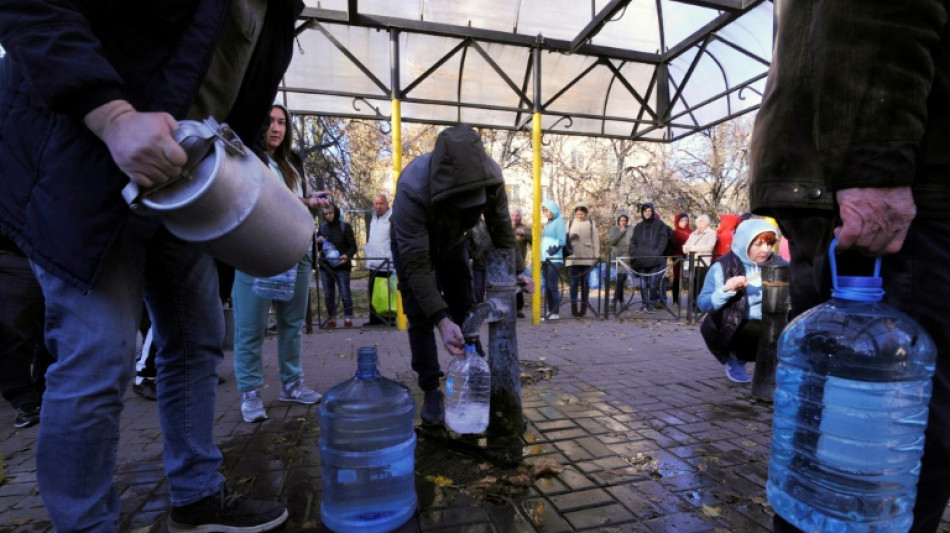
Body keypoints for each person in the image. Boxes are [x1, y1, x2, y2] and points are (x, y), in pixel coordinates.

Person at [0, 2, 304, 530]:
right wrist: (113, 116)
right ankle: (87, 523)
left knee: (197, 338)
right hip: (82, 163)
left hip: (183, 181)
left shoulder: (279, 10)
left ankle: (197, 494)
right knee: (99, 353)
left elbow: (241, 101)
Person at [748, 2, 950, 530]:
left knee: (843, 452)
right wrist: (873, 165)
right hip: (903, 191)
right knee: (881, 454)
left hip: (883, 178)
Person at [390, 124, 533, 426]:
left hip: (454, 241)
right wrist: (441, 320)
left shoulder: (490, 176)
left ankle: (474, 364)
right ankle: (430, 388)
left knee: (463, 299)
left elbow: (501, 229)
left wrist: (518, 270)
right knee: (419, 312)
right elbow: (417, 267)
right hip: (414, 245)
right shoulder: (412, 191)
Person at [232, 104, 325, 424]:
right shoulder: (247, 156)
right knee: (251, 326)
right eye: (270, 121)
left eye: (282, 123)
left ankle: (292, 384)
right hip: (256, 251)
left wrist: (319, 205)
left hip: (298, 251)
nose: (276, 128)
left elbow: (302, 203)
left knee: (292, 323)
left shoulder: (293, 161)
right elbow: (262, 199)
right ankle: (250, 392)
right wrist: (304, 202)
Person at [697, 219, 782, 383]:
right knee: (754, 330)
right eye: (758, 244)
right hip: (735, 325)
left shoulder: (778, 264)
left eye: (770, 244)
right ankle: (735, 359)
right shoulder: (722, 267)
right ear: (745, 242)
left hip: (769, 321)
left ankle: (771, 366)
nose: (765, 250)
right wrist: (725, 290)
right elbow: (703, 303)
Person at [0, 237, 52, 429]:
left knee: (55, 328)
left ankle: (43, 392)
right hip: (16, 256)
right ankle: (24, 399)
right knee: (12, 331)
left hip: (46, 253)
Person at [317, 203, 358, 328]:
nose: (329, 216)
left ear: (336, 213)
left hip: (342, 266)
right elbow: (319, 248)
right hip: (326, 266)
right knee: (329, 294)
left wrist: (346, 256)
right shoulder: (322, 227)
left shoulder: (345, 227)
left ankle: (348, 318)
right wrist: (318, 242)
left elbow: (353, 246)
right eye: (326, 214)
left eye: (331, 213)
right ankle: (332, 319)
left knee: (345, 293)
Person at [628, 203, 669, 313]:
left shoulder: (660, 225)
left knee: (652, 282)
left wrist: (658, 252)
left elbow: (663, 239)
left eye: (649, 210)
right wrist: (634, 253)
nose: (647, 213)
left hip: (655, 259)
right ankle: (644, 304)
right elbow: (633, 242)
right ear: (642, 212)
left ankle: (651, 304)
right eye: (645, 211)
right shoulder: (638, 227)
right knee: (643, 283)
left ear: (653, 212)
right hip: (641, 259)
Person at [564, 203, 600, 317]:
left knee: (585, 283)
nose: (580, 216)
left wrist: (596, 256)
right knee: (573, 283)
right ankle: (574, 306)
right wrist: (569, 237)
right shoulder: (569, 223)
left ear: (586, 213)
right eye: (578, 214)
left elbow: (596, 241)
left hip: (586, 257)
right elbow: (562, 239)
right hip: (573, 257)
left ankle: (584, 306)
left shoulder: (590, 223)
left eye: (582, 214)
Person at [364, 193, 394, 326]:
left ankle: (389, 319)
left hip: (386, 262)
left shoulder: (392, 218)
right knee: (372, 292)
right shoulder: (374, 218)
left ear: (387, 203)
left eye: (381, 203)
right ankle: (374, 319)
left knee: (386, 293)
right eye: (376, 204)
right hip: (373, 262)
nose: (378, 206)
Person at [540, 200, 568, 320]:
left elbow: (562, 240)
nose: (546, 213)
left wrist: (554, 249)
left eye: (547, 210)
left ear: (553, 209)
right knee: (547, 286)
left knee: (552, 286)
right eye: (544, 211)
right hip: (546, 259)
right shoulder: (549, 224)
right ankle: (549, 312)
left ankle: (555, 312)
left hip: (554, 259)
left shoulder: (559, 222)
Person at [682, 214, 718, 301]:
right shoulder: (693, 234)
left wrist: (693, 249)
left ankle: (700, 305)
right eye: (698, 223)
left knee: (701, 285)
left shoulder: (711, 233)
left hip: (703, 263)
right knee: (691, 285)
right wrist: (686, 249)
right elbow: (685, 246)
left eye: (702, 223)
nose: (699, 226)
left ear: (707, 224)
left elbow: (709, 247)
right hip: (691, 262)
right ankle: (692, 303)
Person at [607, 211, 633, 312]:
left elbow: (633, 240)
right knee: (620, 280)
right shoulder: (613, 229)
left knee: (621, 278)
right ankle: (621, 302)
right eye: (621, 220)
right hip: (616, 257)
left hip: (626, 257)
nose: (623, 222)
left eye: (625, 220)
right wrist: (621, 232)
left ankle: (614, 301)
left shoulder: (631, 229)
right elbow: (612, 242)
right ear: (618, 220)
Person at [511, 208, 533, 318]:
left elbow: (533, 239)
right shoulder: (506, 227)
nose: (515, 218)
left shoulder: (525, 228)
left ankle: (518, 309)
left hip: (519, 263)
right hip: (506, 263)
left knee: (519, 286)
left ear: (521, 217)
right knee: (508, 286)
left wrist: (524, 234)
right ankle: (509, 308)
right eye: (513, 215)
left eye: (517, 216)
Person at [468, 215, 493, 303]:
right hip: (477, 263)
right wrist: (474, 255)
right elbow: (467, 244)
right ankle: (480, 308)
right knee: (478, 290)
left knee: (492, 288)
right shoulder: (469, 226)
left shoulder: (487, 224)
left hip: (491, 263)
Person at [670, 213, 692, 305]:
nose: (684, 222)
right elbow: (671, 245)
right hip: (678, 258)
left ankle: (691, 300)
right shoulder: (674, 232)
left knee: (688, 277)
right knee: (677, 278)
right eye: (682, 220)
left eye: (686, 220)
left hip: (688, 259)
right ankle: (675, 300)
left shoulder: (692, 232)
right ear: (677, 221)